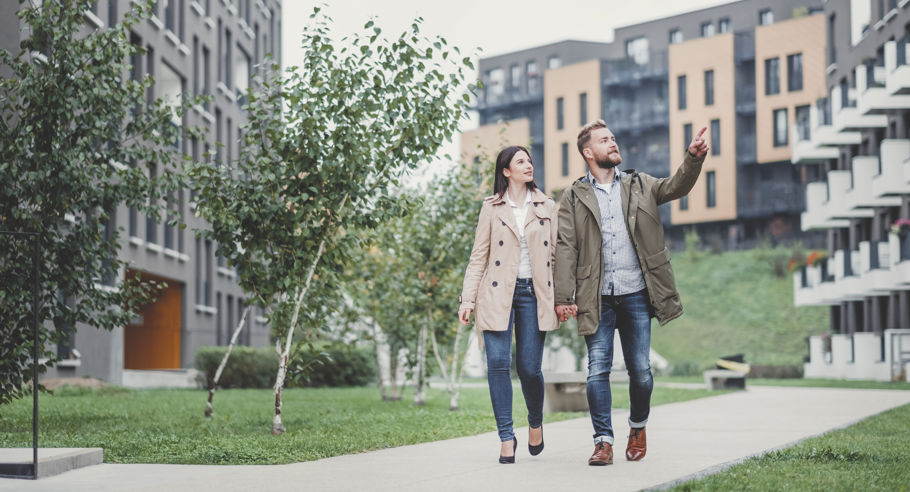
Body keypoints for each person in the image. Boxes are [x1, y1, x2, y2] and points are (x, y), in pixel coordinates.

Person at [554, 119, 708, 466]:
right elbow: (565, 247)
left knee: (641, 370)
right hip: (596, 296)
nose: (613, 143)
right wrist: (564, 298)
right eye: (604, 140)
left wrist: (693, 158)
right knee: (598, 369)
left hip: (637, 293)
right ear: (588, 152)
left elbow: (676, 186)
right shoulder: (573, 196)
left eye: (613, 137)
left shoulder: (640, 185)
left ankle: (637, 427)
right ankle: (603, 442)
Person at [458, 145, 559, 464]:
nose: (529, 165)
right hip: (497, 293)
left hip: (534, 294)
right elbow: (479, 257)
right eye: (521, 161)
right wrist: (468, 298)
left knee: (529, 368)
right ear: (506, 171)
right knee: (498, 364)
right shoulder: (491, 207)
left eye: (529, 160)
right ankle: (505, 437)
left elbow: (556, 256)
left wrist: (563, 299)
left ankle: (535, 421)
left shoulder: (547, 205)